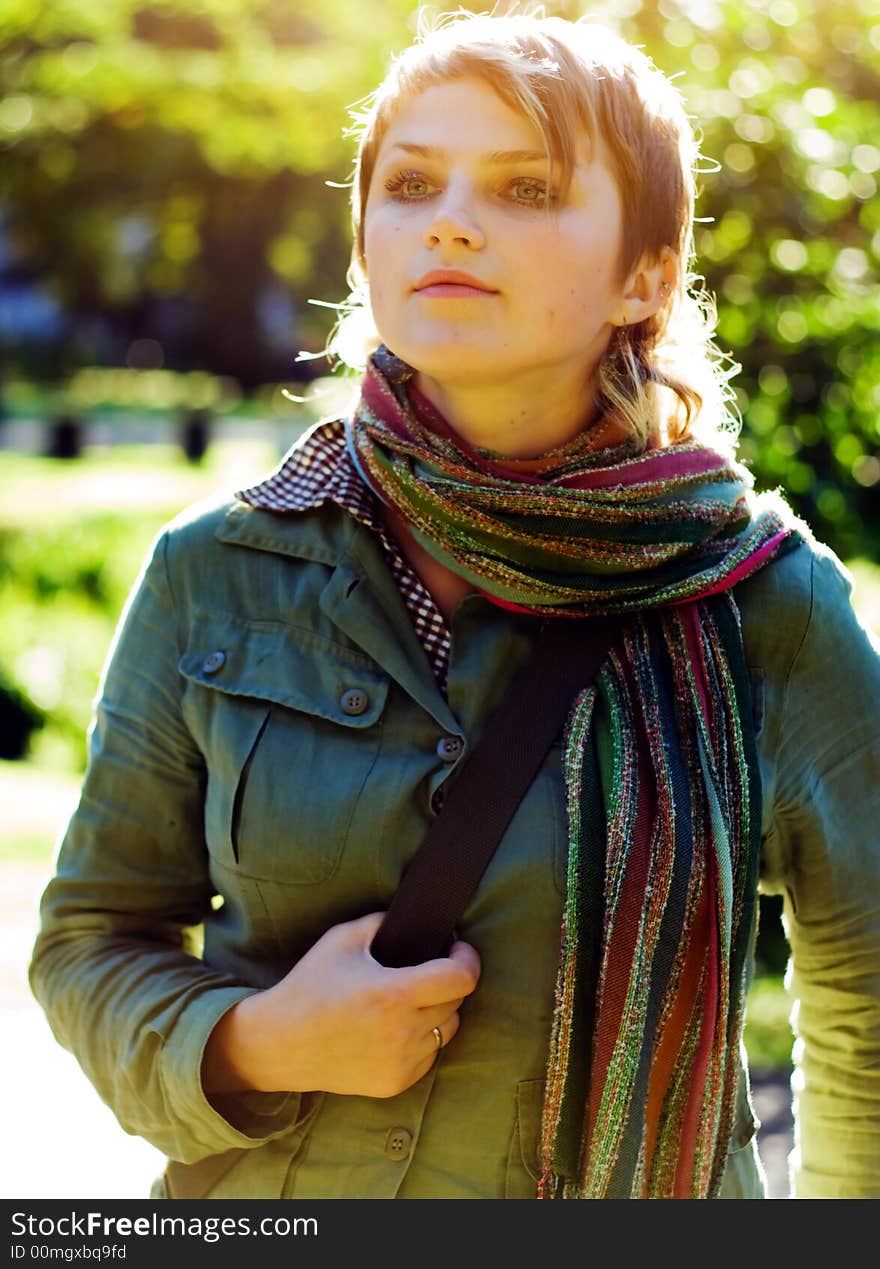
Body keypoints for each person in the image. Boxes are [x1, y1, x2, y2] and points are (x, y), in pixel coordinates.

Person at [29, 8, 880, 1200]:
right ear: (363, 243)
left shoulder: (766, 602)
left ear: (647, 275)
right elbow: (89, 945)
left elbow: (867, 1018)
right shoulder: (217, 568)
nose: (453, 223)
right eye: (412, 183)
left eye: (526, 189)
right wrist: (257, 1042)